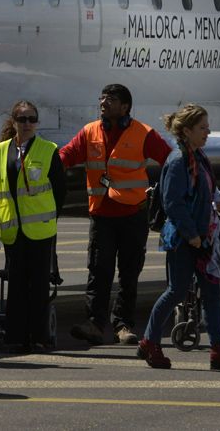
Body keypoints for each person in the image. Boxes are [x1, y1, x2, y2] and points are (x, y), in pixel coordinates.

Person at [59, 83, 171, 346]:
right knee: (99, 271)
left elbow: (169, 159)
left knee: (129, 273)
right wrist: (48, 165)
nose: (104, 102)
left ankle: (123, 325)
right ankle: (95, 324)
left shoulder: (143, 133)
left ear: (125, 107)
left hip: (133, 214)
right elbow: (67, 155)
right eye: (102, 97)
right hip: (101, 215)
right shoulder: (89, 132)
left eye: (111, 99)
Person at [136, 104, 220, 372]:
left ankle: (218, 348)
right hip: (186, 238)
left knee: (212, 293)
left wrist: (219, 200)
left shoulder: (199, 158)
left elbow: (205, 191)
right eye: (202, 128)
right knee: (176, 291)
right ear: (186, 131)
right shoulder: (177, 161)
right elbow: (173, 203)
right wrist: (192, 234)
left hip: (204, 237)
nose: (208, 132)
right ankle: (150, 340)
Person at [0, 100, 65, 353]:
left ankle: (40, 336)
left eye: (32, 119)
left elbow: (59, 189)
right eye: (22, 119)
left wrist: (50, 217)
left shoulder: (48, 149)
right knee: (17, 283)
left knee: (40, 284)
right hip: (13, 228)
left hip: (40, 228)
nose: (28, 124)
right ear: (13, 122)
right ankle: (16, 336)